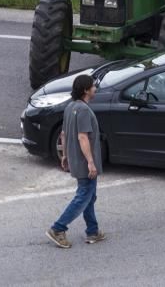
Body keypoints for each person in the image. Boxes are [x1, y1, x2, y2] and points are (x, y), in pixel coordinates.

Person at [46, 74, 105, 249]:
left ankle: (93, 231)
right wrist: (91, 162)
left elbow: (64, 134)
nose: (95, 89)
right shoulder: (85, 110)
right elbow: (82, 137)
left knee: (89, 196)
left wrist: (64, 155)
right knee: (83, 197)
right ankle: (58, 228)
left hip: (74, 159)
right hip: (84, 162)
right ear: (86, 90)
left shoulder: (70, 107)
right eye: (93, 87)